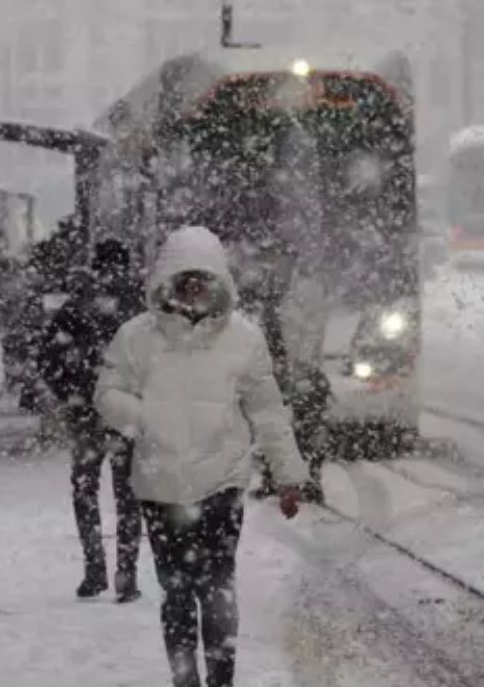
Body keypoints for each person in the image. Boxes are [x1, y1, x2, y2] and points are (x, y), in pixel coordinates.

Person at [95, 226, 310, 687]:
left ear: (219, 282)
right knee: (176, 593)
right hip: (160, 486)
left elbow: (268, 411)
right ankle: (185, 678)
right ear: (167, 281)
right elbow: (107, 393)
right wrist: (142, 418)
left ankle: (220, 678)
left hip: (221, 486)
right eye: (185, 278)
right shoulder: (136, 337)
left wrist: (288, 475)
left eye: (203, 278)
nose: (194, 287)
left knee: (215, 590)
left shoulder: (244, 340)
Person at [38, 239, 145, 602]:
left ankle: (94, 568)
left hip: (86, 414)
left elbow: (47, 357)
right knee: (128, 495)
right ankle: (125, 575)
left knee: (86, 491)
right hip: (124, 415)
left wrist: (71, 393)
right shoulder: (138, 310)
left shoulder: (77, 306)